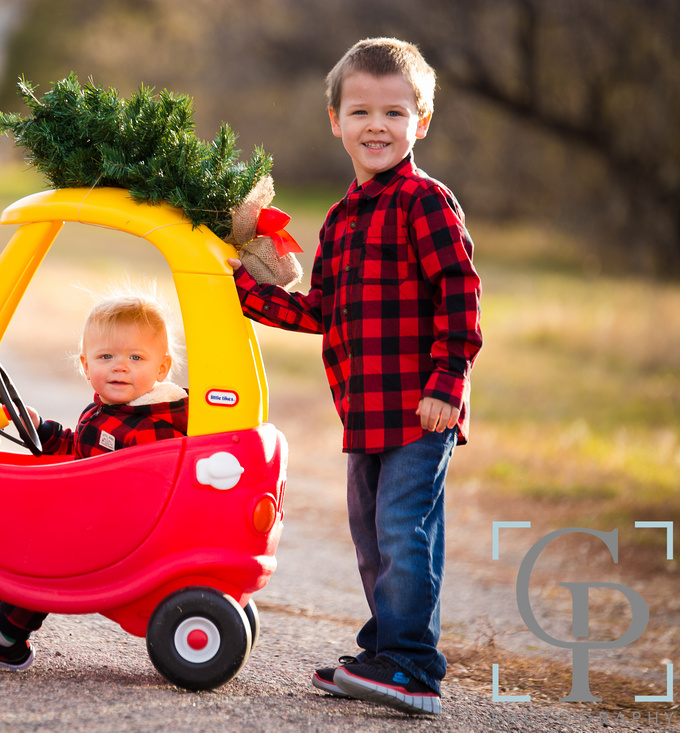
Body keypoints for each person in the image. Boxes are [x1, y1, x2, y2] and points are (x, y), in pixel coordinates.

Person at [228, 37, 482, 715]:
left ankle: (413, 666)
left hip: (421, 407)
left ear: (420, 123)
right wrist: (243, 293)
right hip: (364, 408)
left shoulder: (425, 204)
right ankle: (384, 648)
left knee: (405, 530)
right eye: (362, 110)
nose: (378, 125)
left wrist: (445, 387)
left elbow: (461, 297)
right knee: (372, 535)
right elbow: (322, 310)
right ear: (334, 120)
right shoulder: (341, 220)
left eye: (395, 113)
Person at [0, 289, 188, 670]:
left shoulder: (155, 423)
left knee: (42, 550)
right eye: (106, 357)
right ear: (86, 364)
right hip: (96, 516)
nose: (120, 367)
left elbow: (145, 475)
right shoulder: (111, 409)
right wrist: (41, 428)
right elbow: (82, 450)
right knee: (21, 533)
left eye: (136, 358)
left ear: (162, 369)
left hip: (119, 534)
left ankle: (3, 639)